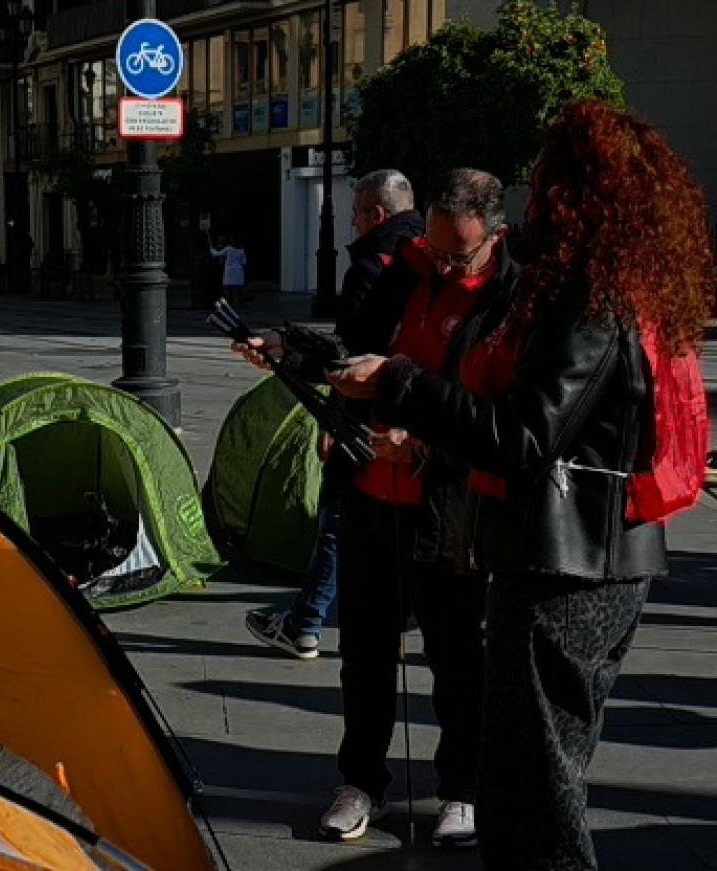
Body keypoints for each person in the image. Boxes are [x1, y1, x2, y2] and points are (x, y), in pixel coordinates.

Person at [327, 102, 713, 870]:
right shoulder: (610, 286)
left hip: (565, 568)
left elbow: (523, 434)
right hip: (588, 558)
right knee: (532, 779)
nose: (533, 200)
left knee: (535, 788)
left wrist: (403, 382)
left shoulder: (591, 298)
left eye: (545, 182)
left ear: (578, 193)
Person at [238, 169, 520, 846]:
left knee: (458, 657)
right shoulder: (405, 267)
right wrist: (289, 350)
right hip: (370, 488)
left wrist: (423, 450)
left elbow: (502, 424)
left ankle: (461, 789)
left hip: (447, 504)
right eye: (437, 245)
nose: (445, 261)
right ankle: (360, 779)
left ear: (497, 236)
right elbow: (353, 346)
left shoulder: (514, 297)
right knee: (364, 651)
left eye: (462, 254)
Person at [245, 169, 424, 659]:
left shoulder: (372, 265)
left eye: (355, 214)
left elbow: (353, 359)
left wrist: (331, 415)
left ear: (376, 214)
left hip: (368, 415)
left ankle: (306, 623)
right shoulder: (431, 257)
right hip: (420, 413)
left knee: (339, 515)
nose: (352, 224)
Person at [209, 234, 248, 306]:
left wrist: (211, 249)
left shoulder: (228, 249)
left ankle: (229, 304)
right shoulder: (241, 250)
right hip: (238, 271)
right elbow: (244, 263)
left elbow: (217, 254)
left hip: (229, 271)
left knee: (227, 289)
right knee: (237, 289)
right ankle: (239, 303)